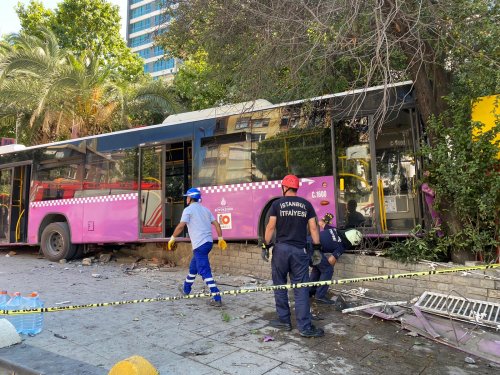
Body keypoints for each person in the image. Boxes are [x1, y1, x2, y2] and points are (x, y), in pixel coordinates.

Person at [262, 174, 324, 337]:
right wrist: (317, 248)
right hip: (299, 252)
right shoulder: (306, 205)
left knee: (280, 285)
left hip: (280, 250)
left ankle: (284, 321)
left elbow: (270, 227)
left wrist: (265, 245)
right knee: (301, 289)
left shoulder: (277, 204)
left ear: (285, 187)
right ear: (296, 187)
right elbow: (313, 228)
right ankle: (304, 327)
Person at [168, 187, 227, 306]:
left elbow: (181, 226)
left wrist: (172, 238)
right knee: (193, 268)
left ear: (190, 198)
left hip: (199, 245)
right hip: (208, 243)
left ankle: (217, 297)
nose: (186, 199)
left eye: (187, 197)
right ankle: (186, 289)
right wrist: (220, 238)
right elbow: (216, 224)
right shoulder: (206, 210)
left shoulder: (188, 210)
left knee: (204, 271)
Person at [309, 213, 363, 304]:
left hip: (307, 244)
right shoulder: (341, 245)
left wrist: (326, 218)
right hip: (312, 250)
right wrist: (331, 265)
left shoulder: (334, 230)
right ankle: (320, 296)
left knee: (318, 267)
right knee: (327, 270)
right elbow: (331, 260)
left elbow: (321, 223)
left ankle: (310, 291)